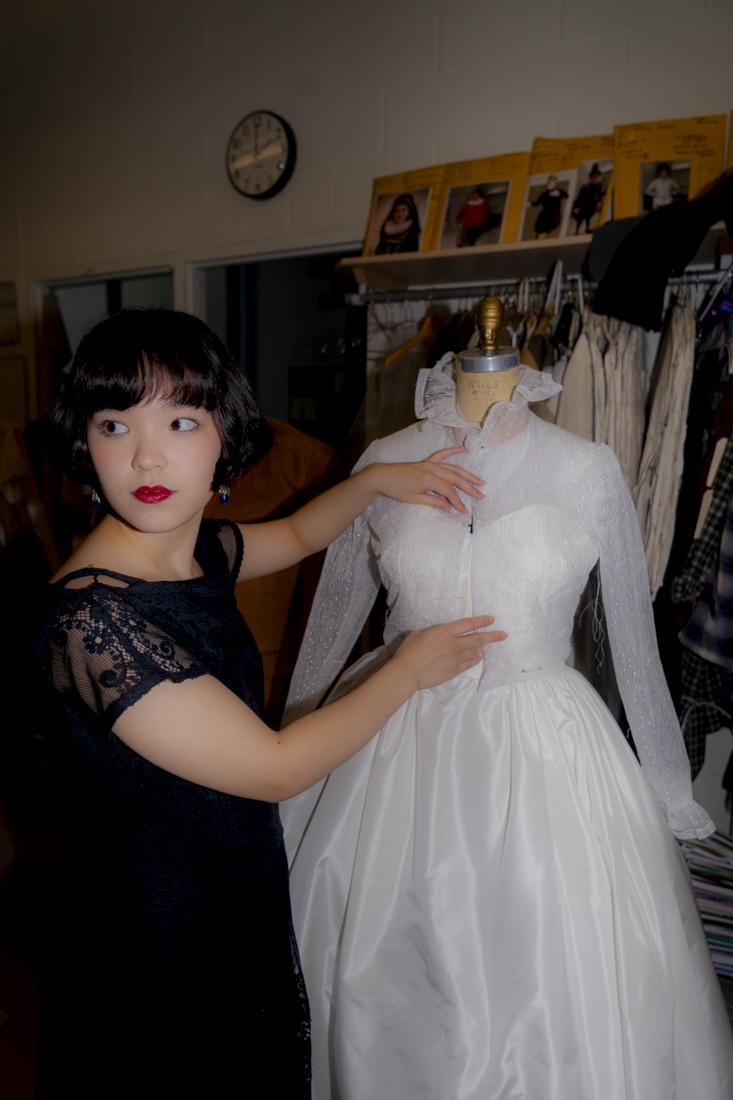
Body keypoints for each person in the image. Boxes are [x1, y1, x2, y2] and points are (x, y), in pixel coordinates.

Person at [31, 308, 506, 1099]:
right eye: (115, 424)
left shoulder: (189, 548)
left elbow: (288, 536)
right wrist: (406, 668)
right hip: (154, 937)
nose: (147, 455)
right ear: (86, 443)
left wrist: (374, 483)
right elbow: (275, 769)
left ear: (226, 439)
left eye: (181, 420)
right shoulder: (93, 619)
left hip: (223, 894)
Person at [282, 355, 733, 1100]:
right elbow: (332, 620)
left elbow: (630, 631)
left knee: (550, 959)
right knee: (382, 963)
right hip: (389, 741)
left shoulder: (584, 467)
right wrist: (292, 742)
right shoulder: (383, 462)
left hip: (543, 748)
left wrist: (663, 778)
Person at [571, 162, 605, 234]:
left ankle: (587, 228)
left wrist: (599, 202)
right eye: (593, 176)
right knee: (581, 218)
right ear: (590, 177)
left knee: (588, 217)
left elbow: (599, 196)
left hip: (591, 205)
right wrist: (577, 206)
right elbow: (580, 195)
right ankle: (577, 230)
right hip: (584, 204)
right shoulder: (585, 186)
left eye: (596, 176)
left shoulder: (598, 186)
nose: (595, 177)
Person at [531, 174, 569, 238]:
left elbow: (566, 195)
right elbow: (537, 202)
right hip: (544, 213)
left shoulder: (558, 191)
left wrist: (559, 194)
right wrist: (530, 204)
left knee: (547, 228)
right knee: (539, 227)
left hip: (553, 213)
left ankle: (543, 237)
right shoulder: (544, 194)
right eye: (550, 182)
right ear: (548, 183)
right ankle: (539, 238)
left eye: (553, 182)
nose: (552, 183)